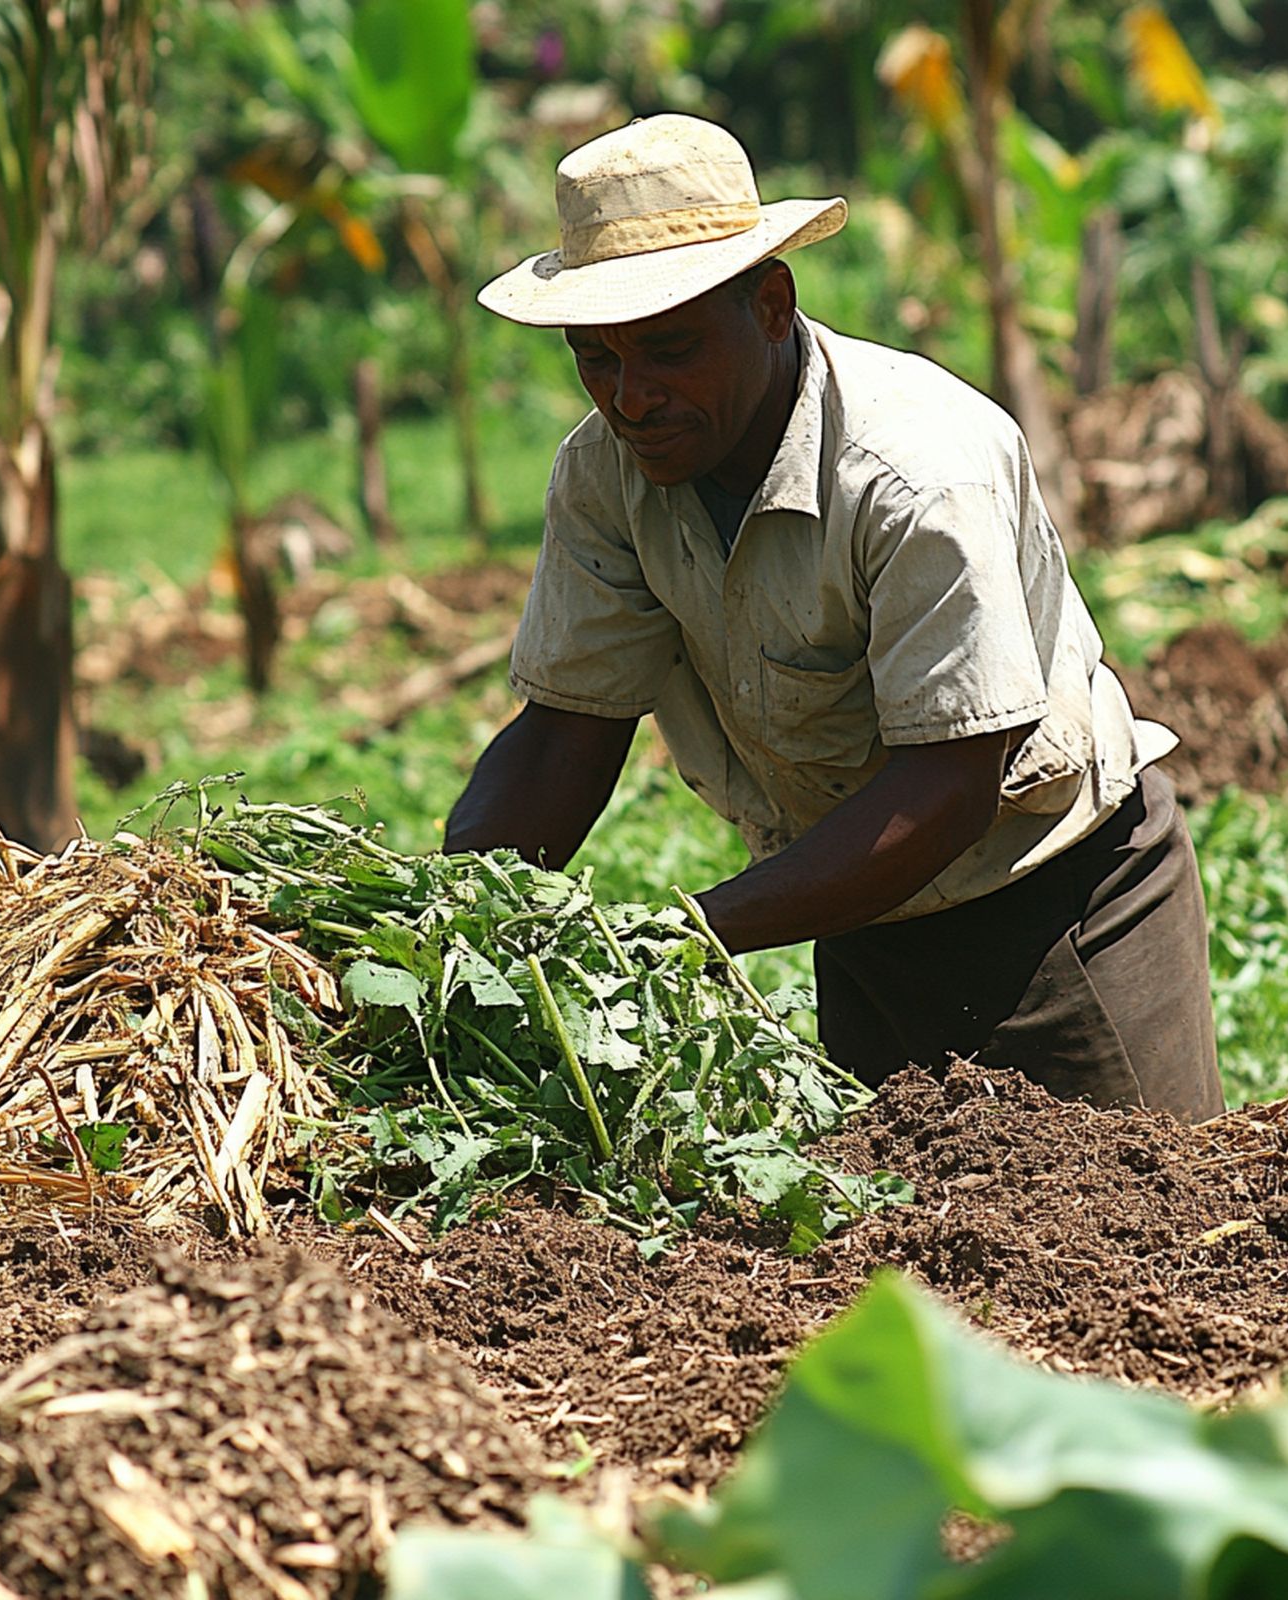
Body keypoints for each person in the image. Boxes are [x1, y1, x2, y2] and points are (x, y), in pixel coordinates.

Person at [444, 113, 1225, 1124]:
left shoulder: (912, 473)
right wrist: (451, 915)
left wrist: (693, 930)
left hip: (1055, 913)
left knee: (1144, 1249)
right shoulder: (606, 474)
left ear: (771, 305)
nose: (631, 397)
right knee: (909, 1260)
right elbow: (565, 732)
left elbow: (948, 784)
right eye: (594, 359)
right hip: (860, 919)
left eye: (669, 350)